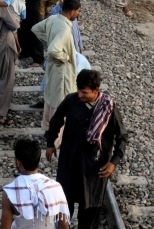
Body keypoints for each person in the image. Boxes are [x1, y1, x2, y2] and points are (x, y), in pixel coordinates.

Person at [45, 69, 127, 229]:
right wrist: (50, 143)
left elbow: (122, 137)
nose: (80, 95)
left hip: (94, 171)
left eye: (84, 92)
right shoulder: (71, 101)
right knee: (63, 206)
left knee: (89, 212)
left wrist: (113, 163)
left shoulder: (108, 108)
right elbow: (56, 121)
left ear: (96, 91)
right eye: (79, 90)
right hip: (69, 165)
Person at [1, 139, 70, 229]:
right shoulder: (56, 187)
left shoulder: (9, 192)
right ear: (39, 159)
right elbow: (63, 225)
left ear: (18, 162)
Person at [33, 0, 80, 130]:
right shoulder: (65, 29)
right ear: (71, 12)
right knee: (60, 102)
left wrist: (48, 40)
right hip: (62, 71)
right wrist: (65, 56)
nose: (78, 14)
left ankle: (47, 127)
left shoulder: (53, 19)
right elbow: (53, 49)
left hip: (53, 66)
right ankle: (55, 137)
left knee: (51, 97)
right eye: (77, 11)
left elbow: (36, 29)